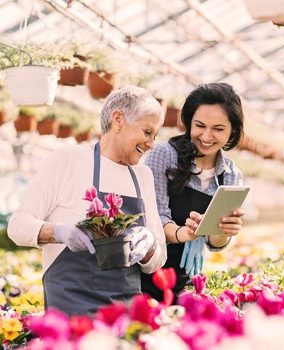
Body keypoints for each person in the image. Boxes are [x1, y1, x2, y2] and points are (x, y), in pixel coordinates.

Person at [7, 86, 167, 315]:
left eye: (155, 135)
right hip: (71, 306)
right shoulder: (68, 159)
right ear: (118, 119)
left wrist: (150, 245)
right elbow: (17, 226)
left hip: (125, 311)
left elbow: (158, 260)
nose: (151, 143)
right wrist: (59, 232)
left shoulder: (143, 176)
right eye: (147, 131)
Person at [141, 82, 245, 301]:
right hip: (144, 270)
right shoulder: (163, 155)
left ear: (232, 131)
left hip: (185, 278)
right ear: (189, 123)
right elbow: (153, 216)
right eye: (200, 126)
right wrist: (183, 233)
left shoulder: (230, 175)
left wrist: (224, 230)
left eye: (218, 129)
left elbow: (214, 242)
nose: (207, 136)